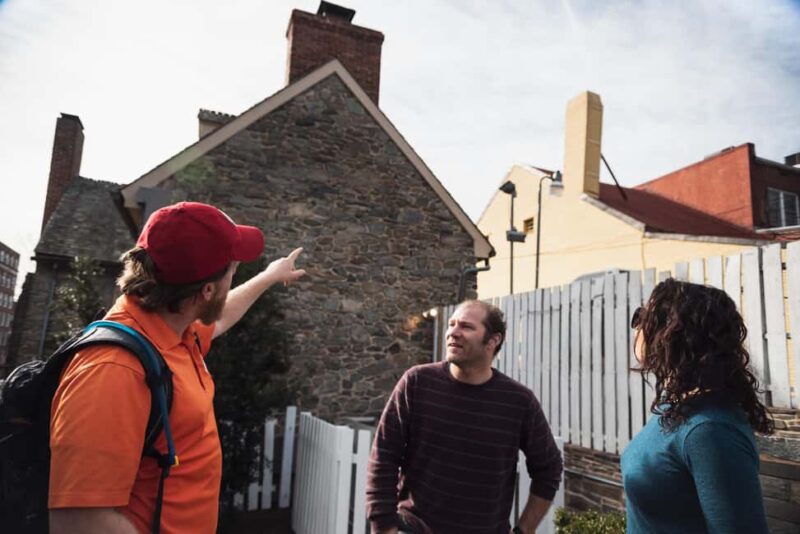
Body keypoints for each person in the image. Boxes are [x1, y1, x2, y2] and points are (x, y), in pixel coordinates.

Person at [48, 201, 306, 534]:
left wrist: (269, 276)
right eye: (231, 270)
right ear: (206, 291)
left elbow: (222, 314)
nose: (233, 277)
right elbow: (79, 523)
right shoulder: (114, 370)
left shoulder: (173, 327)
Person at [366, 300, 563, 534]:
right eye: (451, 324)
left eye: (466, 327)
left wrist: (524, 530)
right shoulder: (417, 383)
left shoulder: (519, 402)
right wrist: (384, 527)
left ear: (493, 340)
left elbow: (549, 468)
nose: (453, 333)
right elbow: (384, 457)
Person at [621, 279, 773, 533]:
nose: (637, 325)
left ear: (675, 331)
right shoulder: (676, 407)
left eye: (644, 315)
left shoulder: (708, 430)